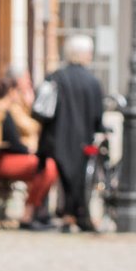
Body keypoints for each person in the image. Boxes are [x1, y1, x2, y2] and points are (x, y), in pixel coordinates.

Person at [37, 35, 105, 233]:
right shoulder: (92, 82)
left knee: (60, 171)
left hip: (54, 139)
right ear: (84, 55)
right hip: (81, 140)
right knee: (80, 174)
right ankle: (75, 214)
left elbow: (43, 110)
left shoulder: (55, 77)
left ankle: (60, 213)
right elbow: (97, 116)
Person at [0, 74, 59, 231]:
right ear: (12, 91)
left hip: (5, 157)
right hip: (0, 160)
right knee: (47, 166)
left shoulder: (3, 109)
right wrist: (29, 151)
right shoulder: (3, 111)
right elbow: (14, 141)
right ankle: (29, 213)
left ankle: (31, 211)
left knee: (48, 167)